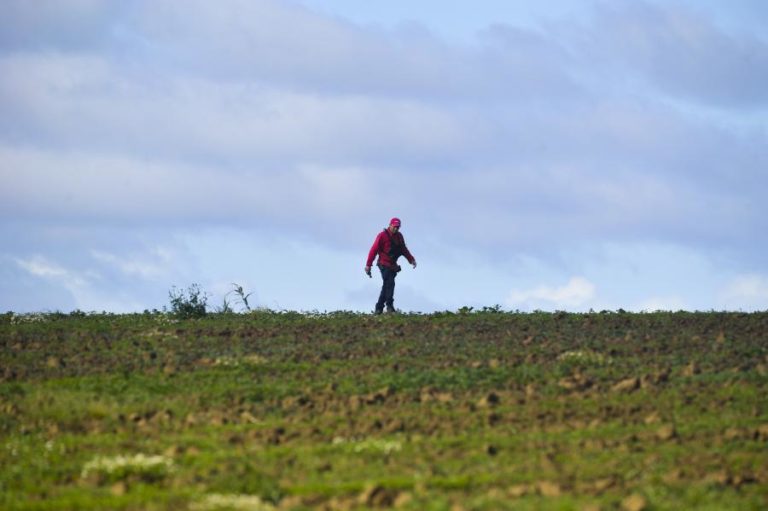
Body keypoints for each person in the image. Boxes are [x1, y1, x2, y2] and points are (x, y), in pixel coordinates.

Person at [365, 217, 417, 314]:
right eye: (394, 226)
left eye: (398, 227)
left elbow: (404, 250)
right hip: (383, 264)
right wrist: (368, 265)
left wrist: (411, 259)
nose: (396, 229)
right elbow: (373, 250)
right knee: (390, 283)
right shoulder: (382, 236)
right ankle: (389, 307)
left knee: (387, 286)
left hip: (393, 266)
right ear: (390, 225)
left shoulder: (399, 236)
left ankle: (378, 308)